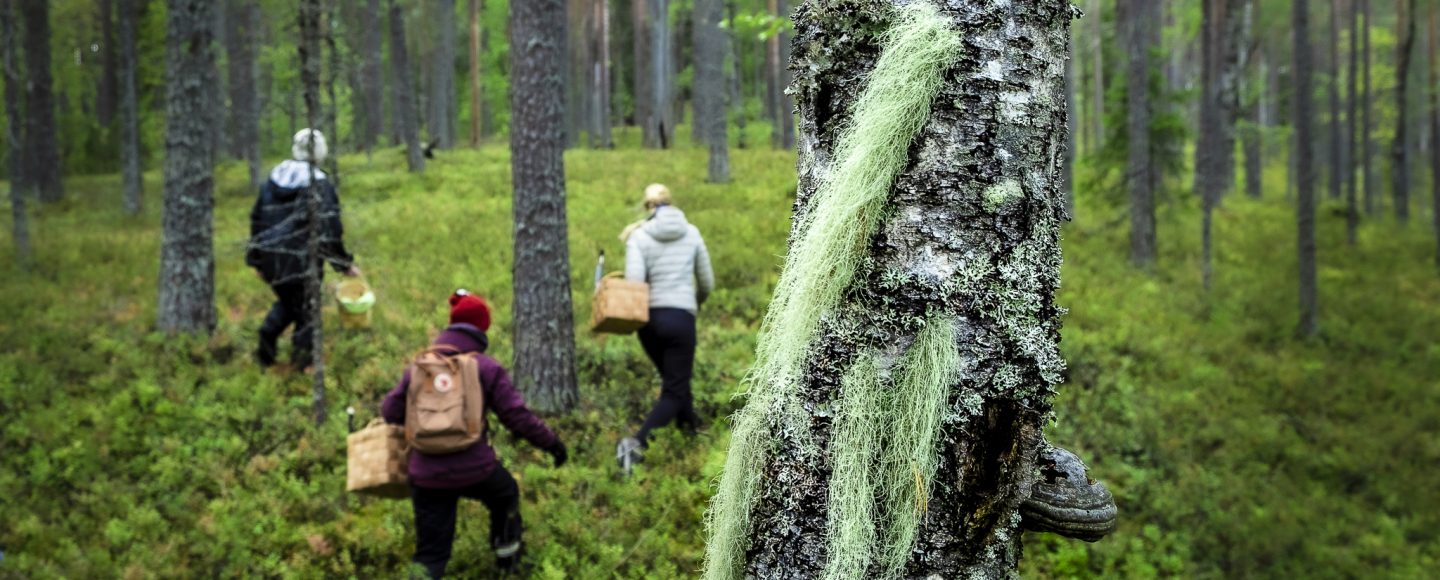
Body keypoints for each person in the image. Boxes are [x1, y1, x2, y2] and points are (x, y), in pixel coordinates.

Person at [381, 290, 568, 577]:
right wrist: (552, 444)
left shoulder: (418, 367)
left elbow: (390, 412)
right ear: (481, 329)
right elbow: (516, 417)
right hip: (475, 469)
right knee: (506, 494)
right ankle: (508, 562)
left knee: (430, 555)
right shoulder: (485, 367)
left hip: (426, 475)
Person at [615, 184, 715, 473]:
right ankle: (635, 445)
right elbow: (707, 282)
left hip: (649, 323)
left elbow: (635, 283)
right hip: (681, 319)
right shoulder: (692, 232)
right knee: (675, 387)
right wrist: (692, 304)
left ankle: (689, 431)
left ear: (648, 207)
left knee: (675, 381)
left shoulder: (639, 236)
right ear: (671, 203)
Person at [246, 128, 359, 369]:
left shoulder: (273, 179)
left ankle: (266, 350)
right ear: (320, 151)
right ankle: (300, 369)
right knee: (307, 313)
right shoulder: (319, 184)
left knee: (291, 302)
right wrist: (343, 264)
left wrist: (256, 259)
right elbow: (329, 228)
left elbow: (257, 219)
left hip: (271, 261)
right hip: (301, 262)